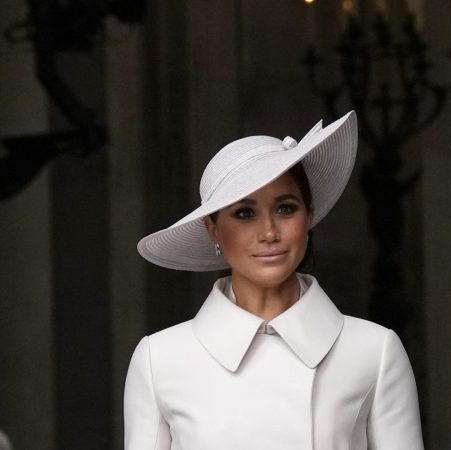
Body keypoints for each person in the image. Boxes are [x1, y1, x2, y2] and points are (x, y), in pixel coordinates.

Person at [124, 111, 424, 449]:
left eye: (285, 209)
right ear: (213, 230)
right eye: (244, 213)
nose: (269, 232)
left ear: (309, 215)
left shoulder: (375, 351)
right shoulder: (160, 360)